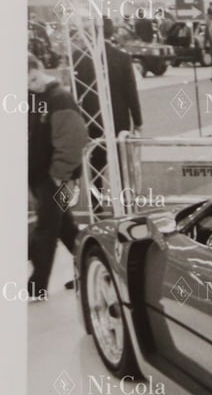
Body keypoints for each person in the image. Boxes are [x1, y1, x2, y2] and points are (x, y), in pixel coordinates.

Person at [28, 53, 87, 300]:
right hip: (45, 177)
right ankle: (89, 266)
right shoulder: (35, 99)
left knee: (46, 229)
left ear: (41, 69)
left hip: (58, 178)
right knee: (64, 228)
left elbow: (73, 141)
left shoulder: (59, 98)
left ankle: (36, 286)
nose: (32, 84)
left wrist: (58, 175)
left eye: (33, 78)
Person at [74, 17, 143, 213]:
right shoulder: (121, 58)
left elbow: (76, 92)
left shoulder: (79, 57)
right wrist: (137, 120)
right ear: (111, 33)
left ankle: (95, 203)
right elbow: (131, 93)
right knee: (121, 163)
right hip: (118, 118)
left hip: (91, 119)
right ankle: (122, 203)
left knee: (97, 160)